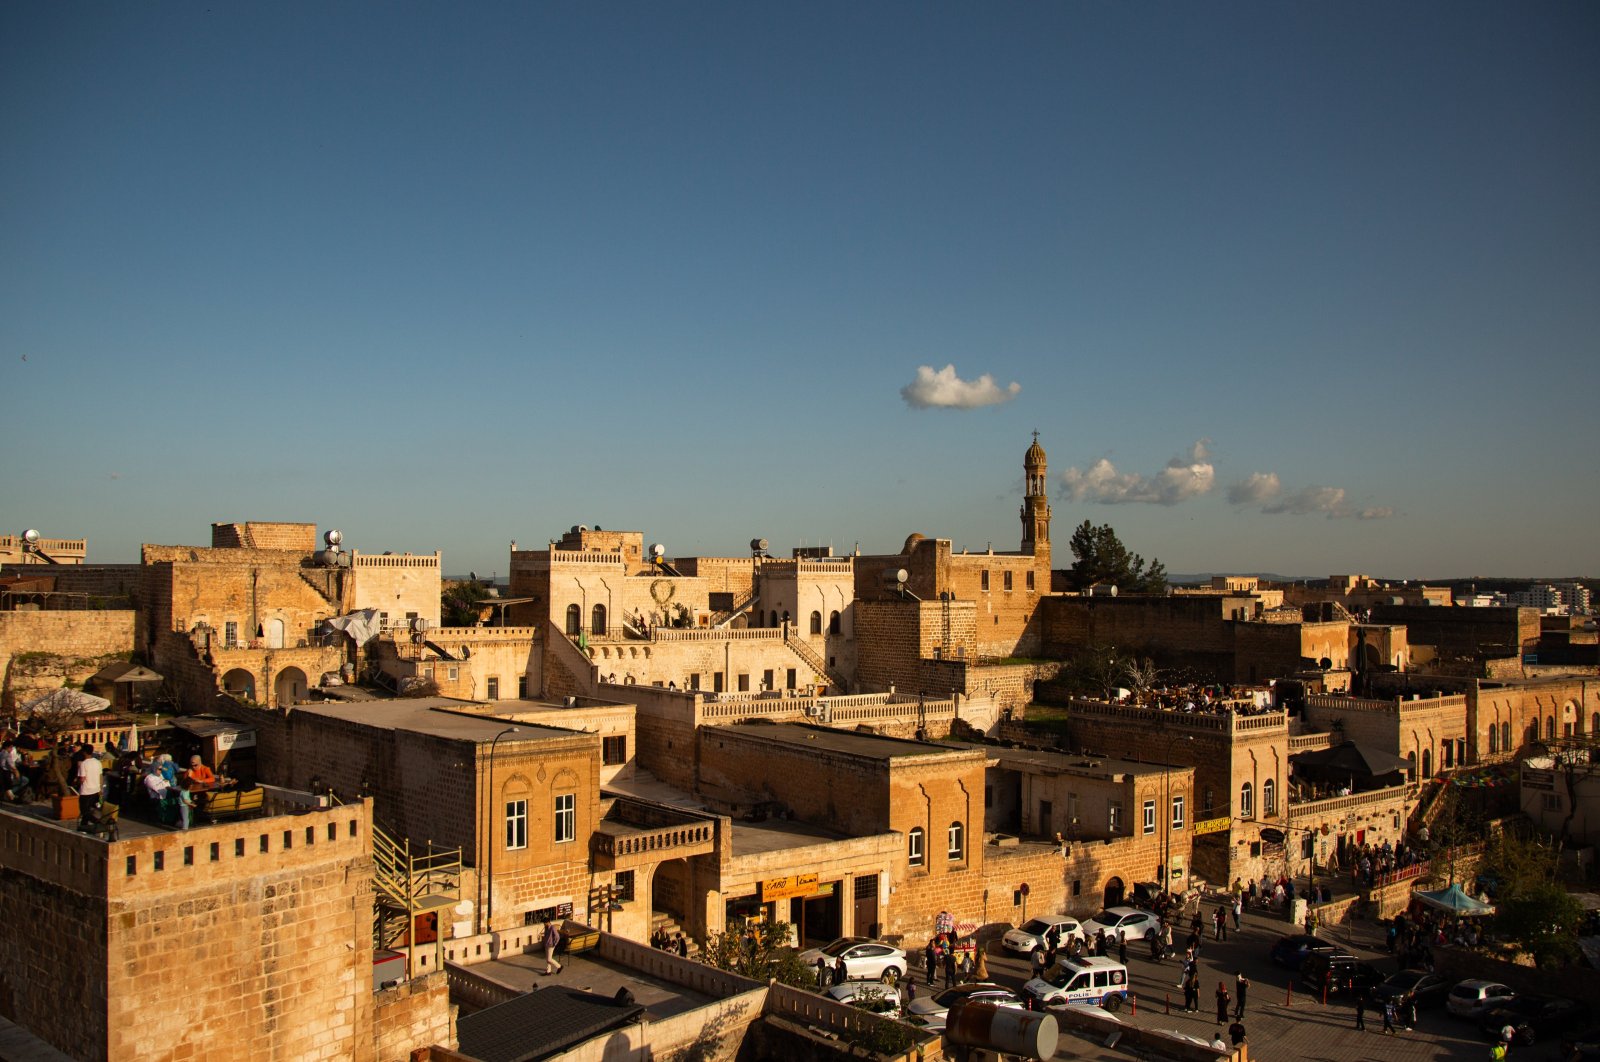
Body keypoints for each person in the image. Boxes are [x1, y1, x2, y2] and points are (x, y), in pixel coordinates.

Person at [74, 748, 103, 812]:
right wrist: (100, 788)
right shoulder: (98, 762)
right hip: (96, 790)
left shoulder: (83, 764)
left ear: (84, 753)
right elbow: (100, 776)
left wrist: (76, 783)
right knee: (89, 810)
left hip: (86, 791)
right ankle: (85, 822)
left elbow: (82, 779)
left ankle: (96, 821)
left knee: (84, 810)